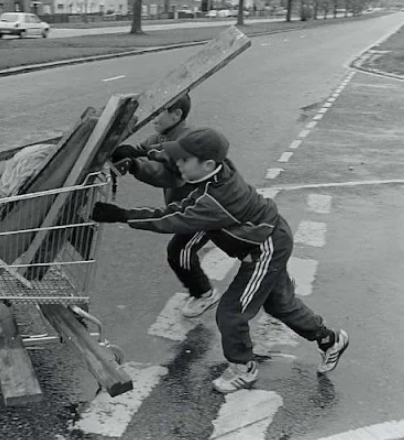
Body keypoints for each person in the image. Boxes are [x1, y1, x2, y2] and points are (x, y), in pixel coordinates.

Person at [93, 127, 349, 393]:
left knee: (232, 311)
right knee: (280, 305)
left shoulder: (217, 200)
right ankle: (330, 340)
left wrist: (121, 214)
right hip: (269, 236)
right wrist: (138, 153)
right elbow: (170, 154)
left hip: (266, 248)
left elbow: (170, 218)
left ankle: (243, 367)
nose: (178, 164)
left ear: (207, 164)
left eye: (184, 160)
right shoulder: (215, 167)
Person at [111, 94, 222, 318]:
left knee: (180, 250)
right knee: (186, 249)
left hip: (207, 207)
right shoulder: (162, 136)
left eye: (159, 110)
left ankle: (205, 294)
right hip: (188, 208)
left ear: (176, 114)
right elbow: (143, 149)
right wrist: (125, 152)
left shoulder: (187, 140)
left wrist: (135, 166)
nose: (153, 116)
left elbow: (171, 177)